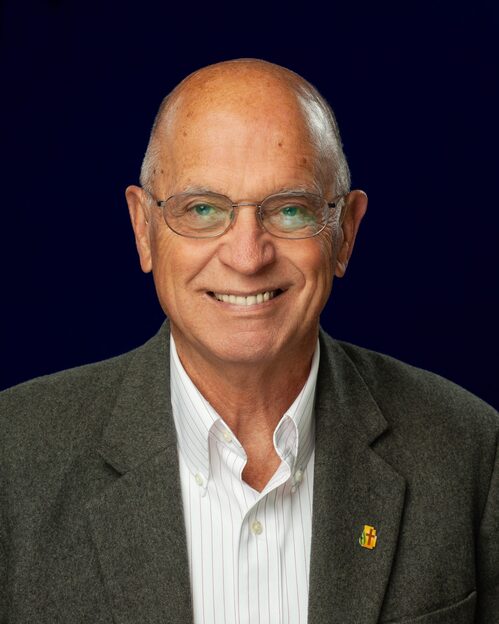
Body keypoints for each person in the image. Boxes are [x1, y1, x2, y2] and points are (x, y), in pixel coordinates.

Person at [0, 59, 497, 624]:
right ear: (143, 229)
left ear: (345, 233)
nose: (247, 256)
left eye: (290, 210)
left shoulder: (471, 453)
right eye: (202, 209)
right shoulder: (13, 461)